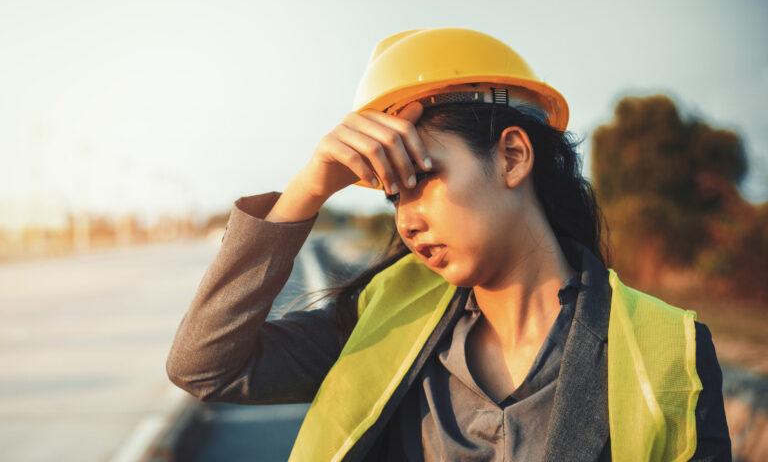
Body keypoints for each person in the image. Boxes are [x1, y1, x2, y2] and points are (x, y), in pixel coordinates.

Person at [166, 28, 731, 461]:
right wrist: (306, 190)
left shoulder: (666, 350)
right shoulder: (381, 322)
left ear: (512, 157)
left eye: (422, 178)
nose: (406, 222)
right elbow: (204, 367)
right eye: (393, 196)